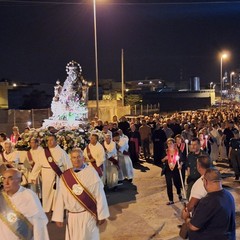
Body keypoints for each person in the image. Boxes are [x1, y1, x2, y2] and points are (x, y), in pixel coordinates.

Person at [52, 148, 109, 240]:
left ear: (83, 158)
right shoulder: (65, 176)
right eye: (74, 157)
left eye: (79, 157)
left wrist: (102, 214)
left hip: (88, 215)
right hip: (72, 217)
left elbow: (100, 194)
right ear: (71, 160)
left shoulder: (91, 172)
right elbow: (60, 197)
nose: (76, 160)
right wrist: (58, 216)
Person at [182, 168, 236, 240]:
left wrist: (186, 218)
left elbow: (193, 226)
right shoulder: (229, 195)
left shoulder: (207, 202)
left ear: (206, 181)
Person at [0, 168, 49, 240]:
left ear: (19, 180)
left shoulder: (28, 196)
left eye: (10, 179)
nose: (6, 182)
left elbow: (39, 223)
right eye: (4, 179)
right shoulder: (1, 198)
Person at [29, 134, 72, 212]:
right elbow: (38, 164)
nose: (49, 142)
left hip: (58, 176)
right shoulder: (43, 152)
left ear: (56, 141)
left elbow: (68, 165)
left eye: (51, 140)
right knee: (46, 193)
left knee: (57, 193)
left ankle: (57, 210)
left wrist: (69, 177)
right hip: (46, 175)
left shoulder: (62, 152)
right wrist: (33, 176)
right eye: (48, 140)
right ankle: (46, 209)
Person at [161, 138, 182, 205]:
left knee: (176, 183)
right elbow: (161, 160)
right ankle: (171, 200)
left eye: (171, 143)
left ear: (174, 144)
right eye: (168, 143)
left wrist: (180, 165)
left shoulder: (177, 151)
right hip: (168, 170)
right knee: (169, 184)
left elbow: (182, 160)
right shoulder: (165, 152)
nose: (169, 145)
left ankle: (179, 193)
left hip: (175, 170)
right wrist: (165, 158)